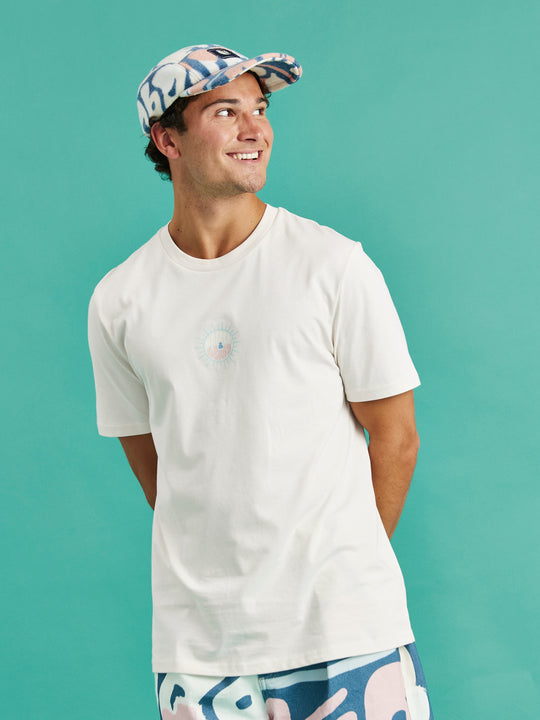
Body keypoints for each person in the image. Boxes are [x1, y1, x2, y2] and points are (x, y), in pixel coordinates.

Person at [88, 44, 433, 719]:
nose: (256, 129)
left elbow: (397, 438)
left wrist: (342, 572)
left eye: (260, 108)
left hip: (346, 633)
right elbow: (160, 468)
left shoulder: (332, 266)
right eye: (226, 112)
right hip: (199, 652)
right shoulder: (120, 299)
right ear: (167, 140)